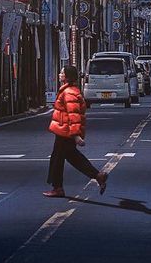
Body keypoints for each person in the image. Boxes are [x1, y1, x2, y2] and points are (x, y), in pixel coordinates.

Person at [44, 64, 108, 198]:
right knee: (68, 157)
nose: (60, 74)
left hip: (65, 132)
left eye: (62, 73)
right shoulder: (69, 90)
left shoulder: (69, 93)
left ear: (67, 77)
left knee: (60, 159)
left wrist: (76, 135)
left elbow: (74, 115)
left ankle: (59, 188)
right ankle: (97, 176)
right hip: (64, 130)